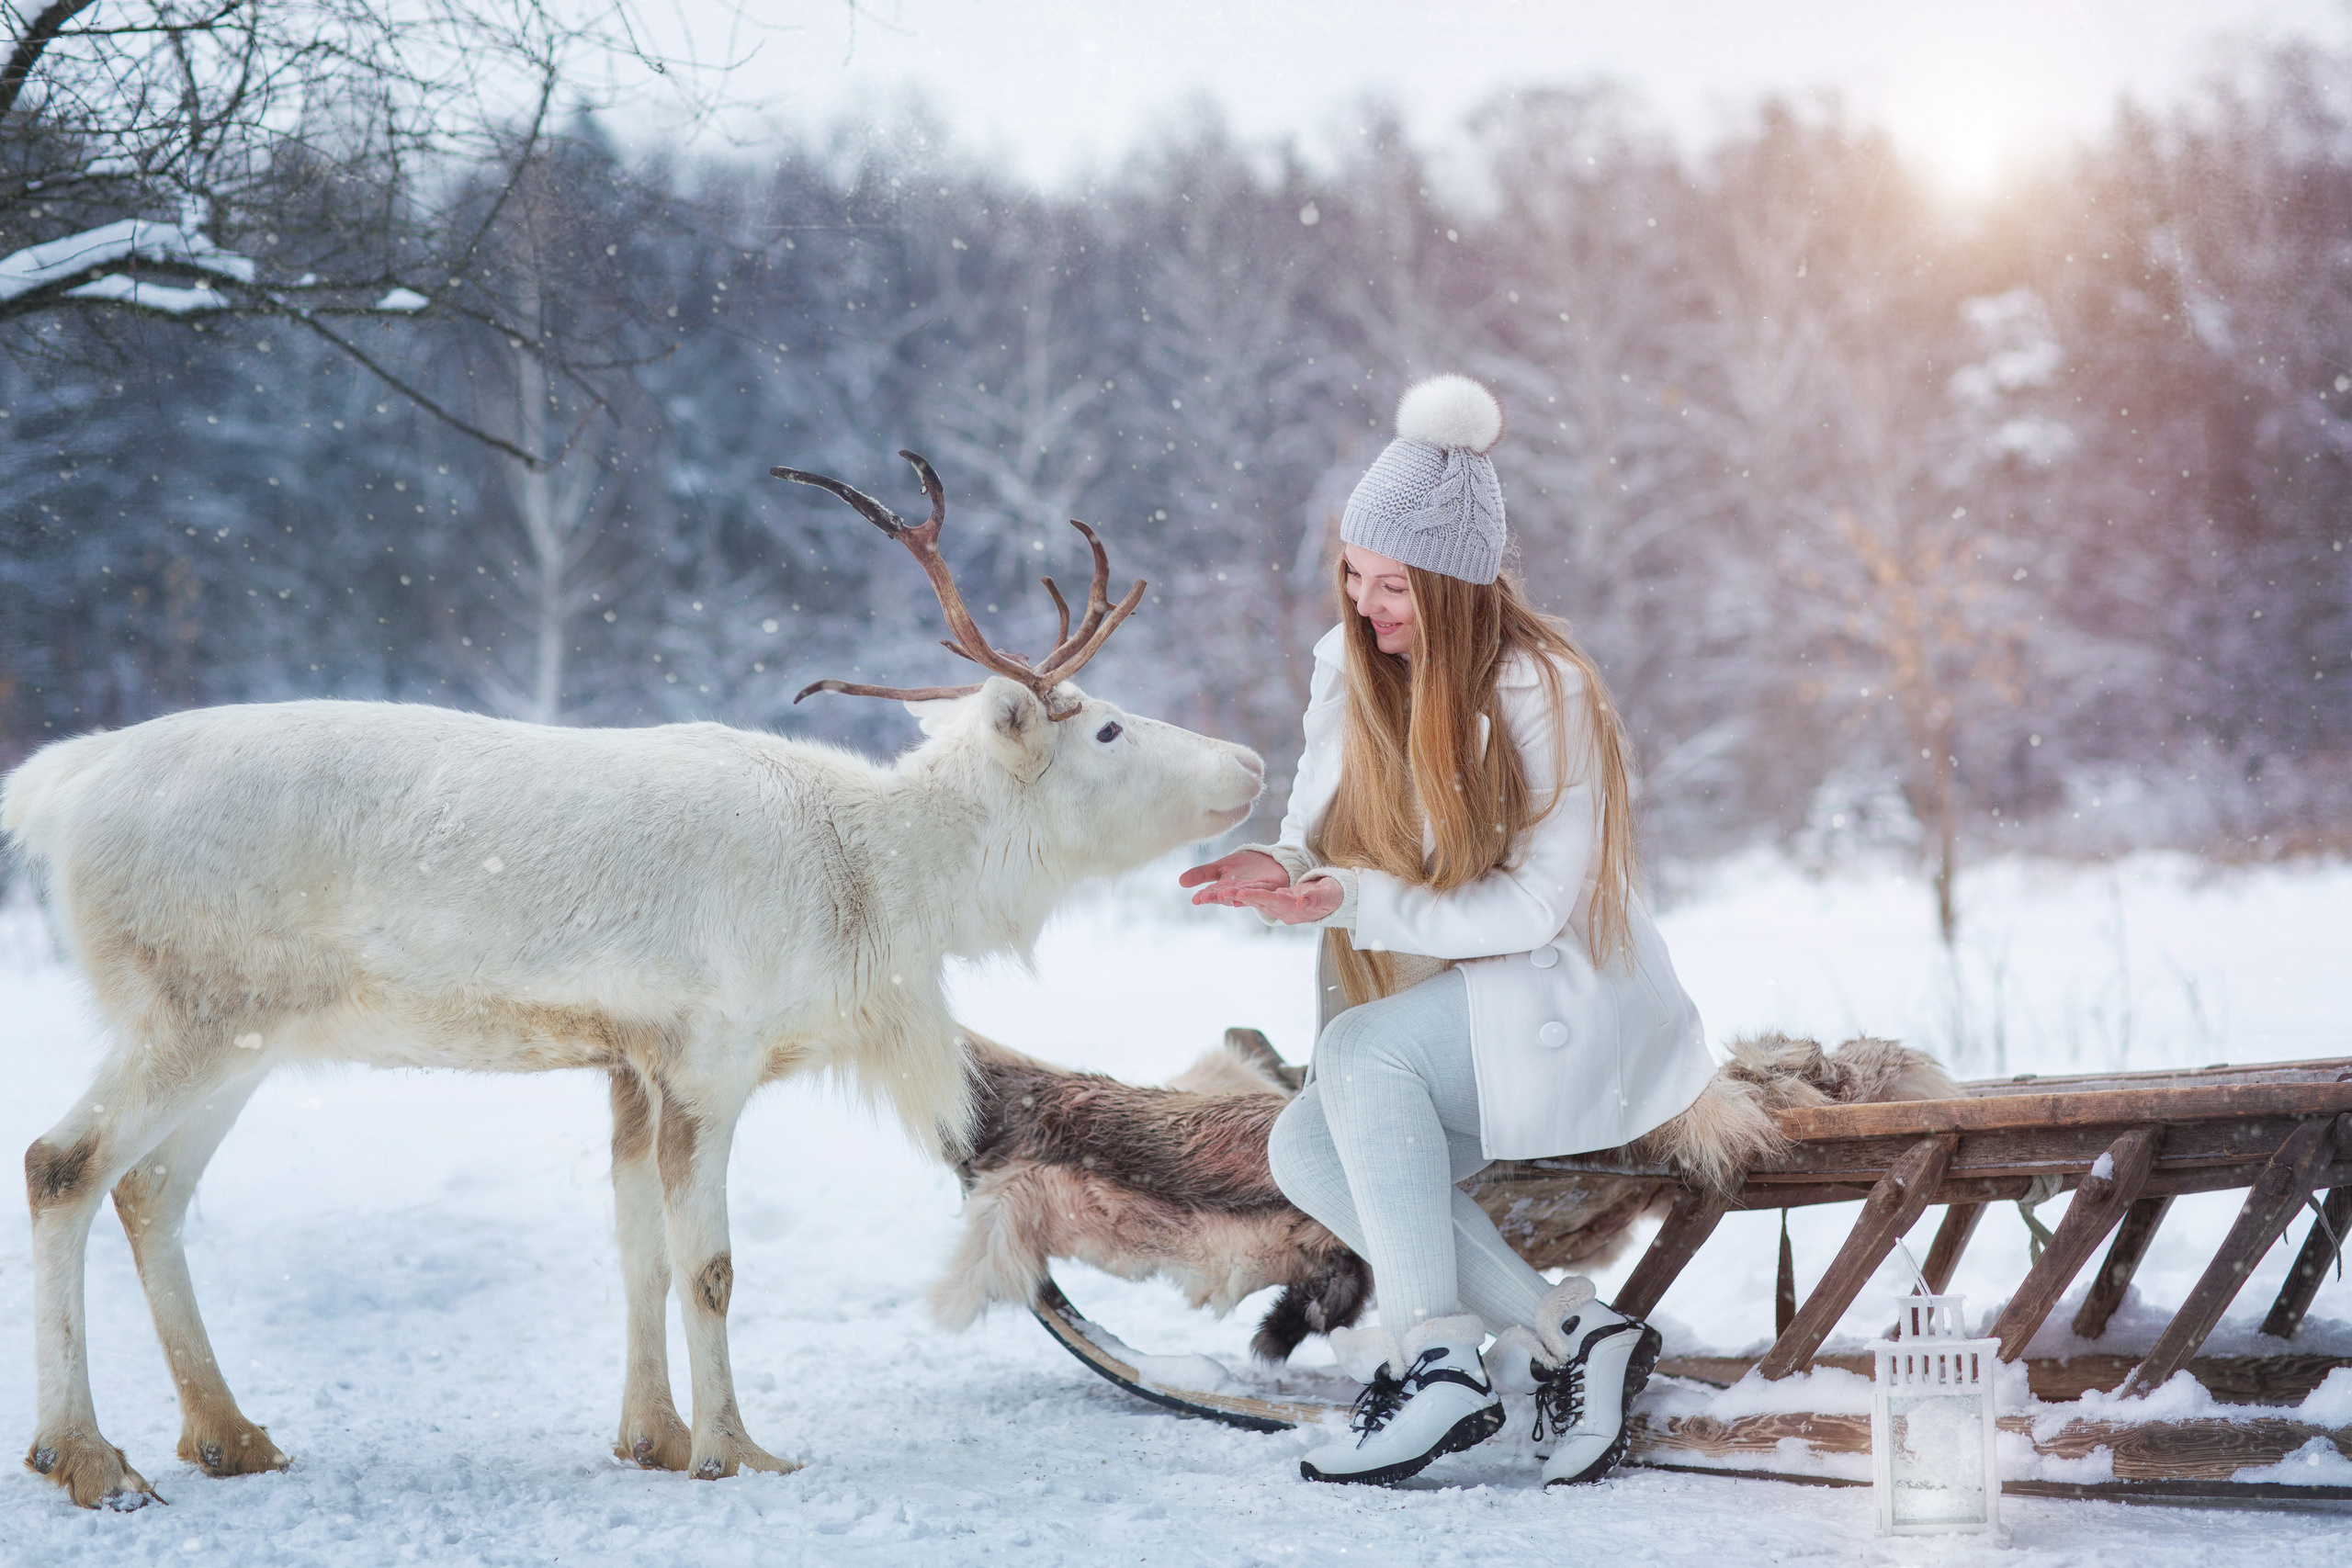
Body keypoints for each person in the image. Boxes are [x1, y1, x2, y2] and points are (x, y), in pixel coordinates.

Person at [1181, 374, 1715, 1489]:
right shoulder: (1352, 670)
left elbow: (1532, 910)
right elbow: (1309, 830)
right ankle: (1580, 1333)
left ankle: (1436, 1365)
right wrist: (1275, 869)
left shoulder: (1546, 690)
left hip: (1568, 998)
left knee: (1358, 1055)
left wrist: (1351, 901)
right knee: (1305, 1144)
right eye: (1355, 577)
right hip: (1456, 1004)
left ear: (1460, 591)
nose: (1367, 606)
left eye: (1396, 588)